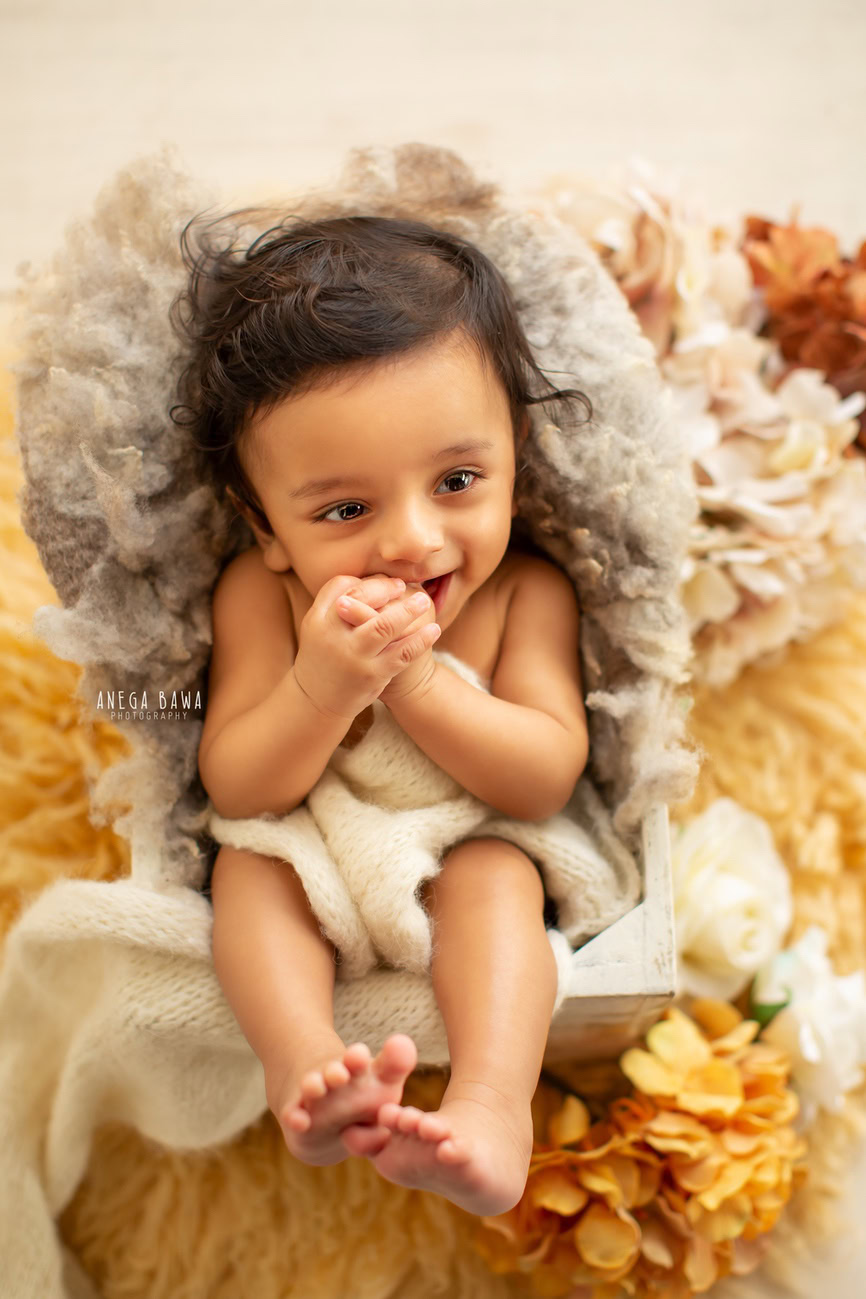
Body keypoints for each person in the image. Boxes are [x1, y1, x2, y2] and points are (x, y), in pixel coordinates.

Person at [171, 213, 592, 1216]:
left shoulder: (526, 593)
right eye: (343, 511)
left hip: (468, 844)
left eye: (456, 481)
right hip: (316, 846)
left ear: (514, 453)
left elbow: (543, 776)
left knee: (498, 882)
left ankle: (493, 1110)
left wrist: (416, 681)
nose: (411, 540)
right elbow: (238, 780)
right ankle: (307, 1073)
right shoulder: (255, 597)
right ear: (264, 526)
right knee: (247, 873)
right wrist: (324, 683)